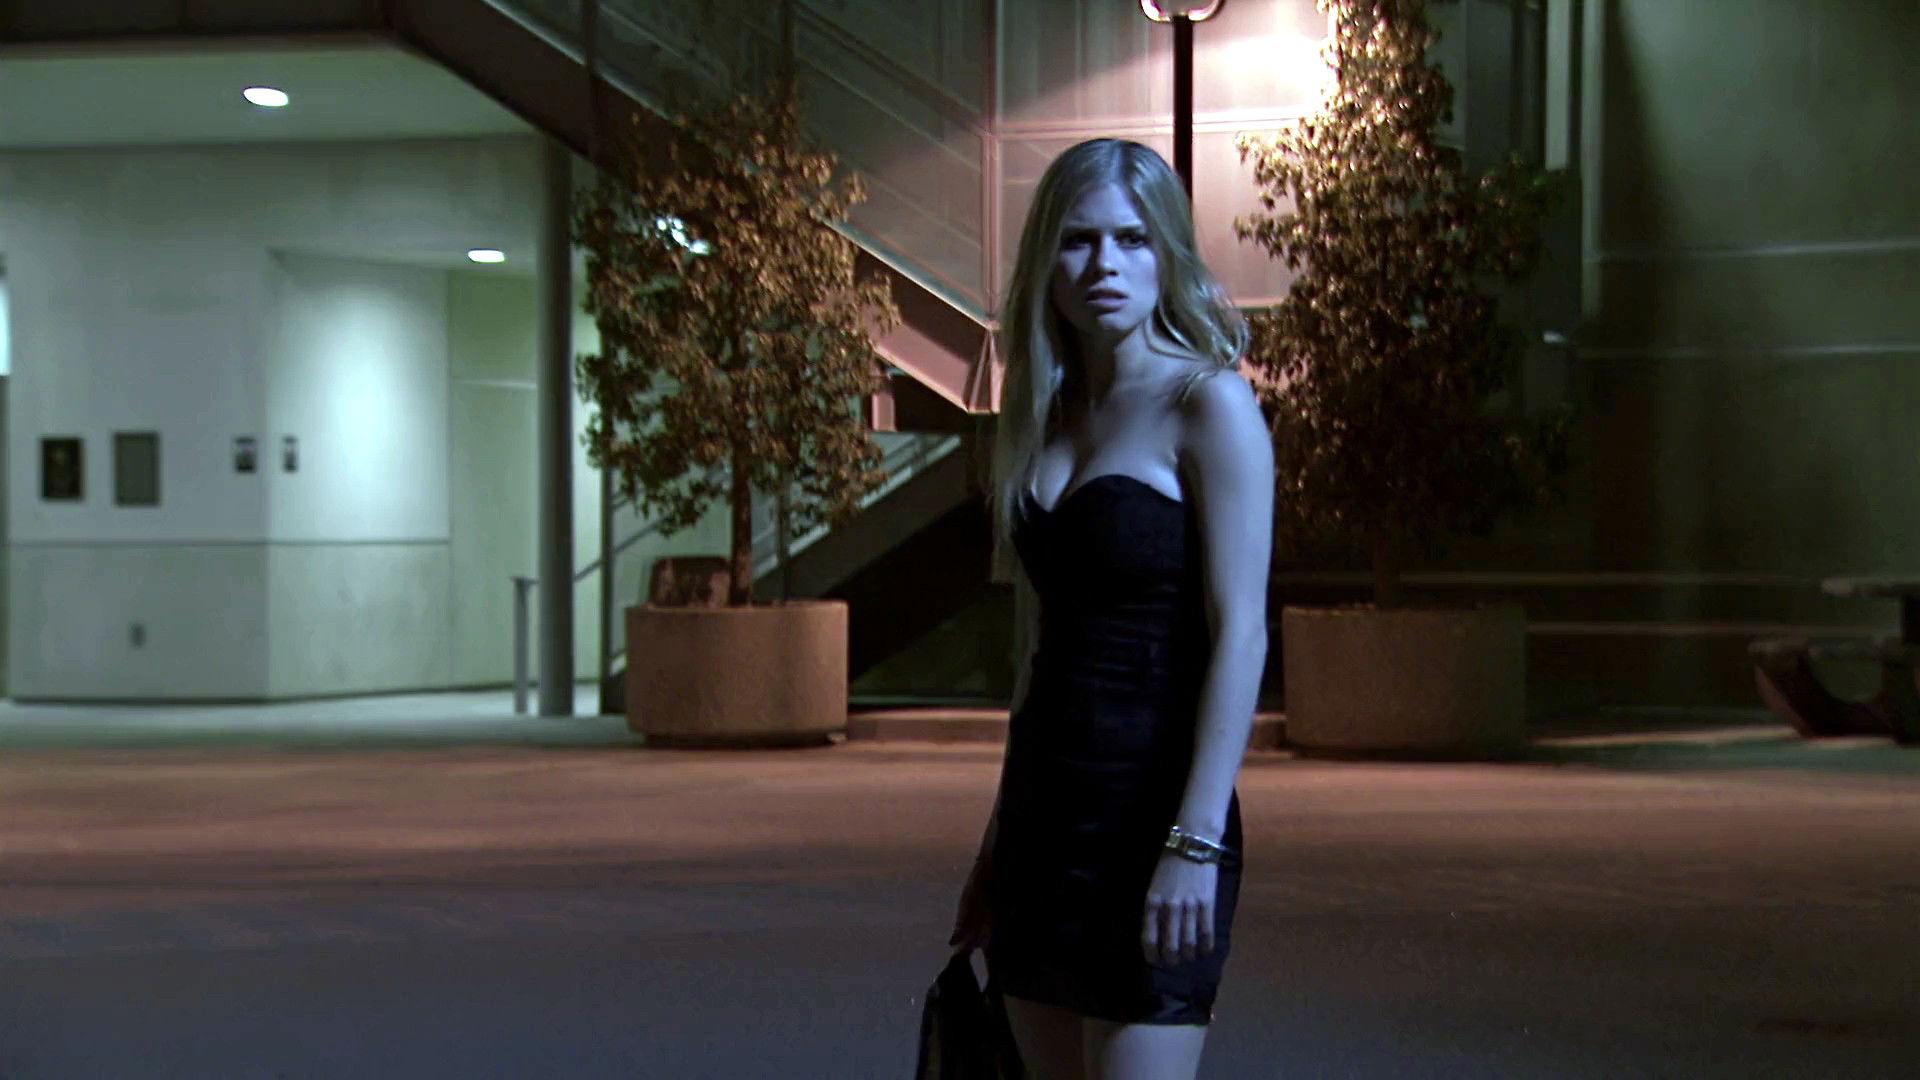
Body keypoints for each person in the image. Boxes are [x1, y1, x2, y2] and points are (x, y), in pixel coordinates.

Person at [949, 138, 1274, 1079]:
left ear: (1168, 254)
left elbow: (1241, 634)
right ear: (1045, 261)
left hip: (1153, 812)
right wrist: (996, 842)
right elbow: (1039, 653)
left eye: (1132, 240)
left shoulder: (1209, 405)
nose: (1104, 266)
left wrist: (1194, 841)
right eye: (1078, 240)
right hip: (1044, 816)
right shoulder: (1043, 416)